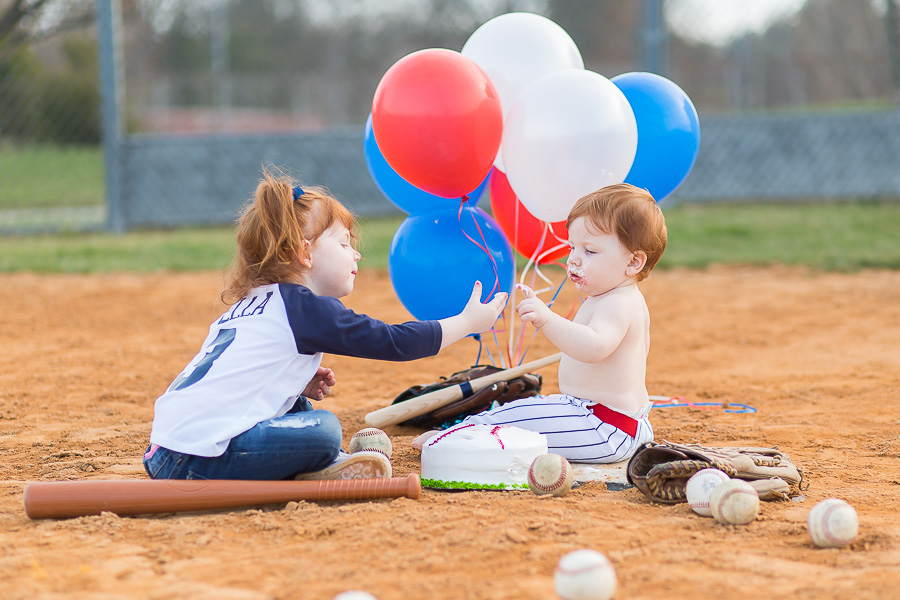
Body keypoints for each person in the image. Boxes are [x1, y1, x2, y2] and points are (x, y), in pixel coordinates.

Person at [143, 169, 507, 481]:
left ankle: (317, 456)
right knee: (325, 431)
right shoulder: (303, 307)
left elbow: (231, 371)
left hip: (165, 447)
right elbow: (392, 342)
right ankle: (326, 463)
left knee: (299, 406)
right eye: (344, 243)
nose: (356, 254)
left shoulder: (251, 302)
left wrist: (293, 380)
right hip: (198, 457)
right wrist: (466, 322)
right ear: (304, 253)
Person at [415, 183, 667, 463]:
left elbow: (595, 347)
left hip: (600, 427)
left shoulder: (617, 302)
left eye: (590, 251)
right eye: (572, 247)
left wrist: (547, 319)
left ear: (633, 263)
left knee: (506, 420)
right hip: (613, 424)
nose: (574, 259)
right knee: (524, 411)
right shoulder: (616, 297)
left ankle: (454, 437)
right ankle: (466, 430)